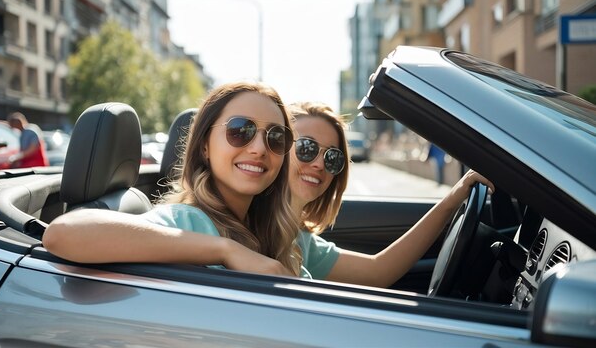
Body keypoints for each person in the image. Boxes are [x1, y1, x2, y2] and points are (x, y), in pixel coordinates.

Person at [43, 82, 302, 276]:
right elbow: (63, 233)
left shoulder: (273, 230)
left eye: (276, 137)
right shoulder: (186, 221)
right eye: (239, 130)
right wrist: (226, 251)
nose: (259, 148)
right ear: (204, 147)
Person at [286, 102, 495, 288]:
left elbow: (377, 272)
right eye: (307, 147)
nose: (319, 164)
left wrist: (452, 201)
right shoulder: (256, 229)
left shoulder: (300, 239)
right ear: (278, 149)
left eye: (332, 157)